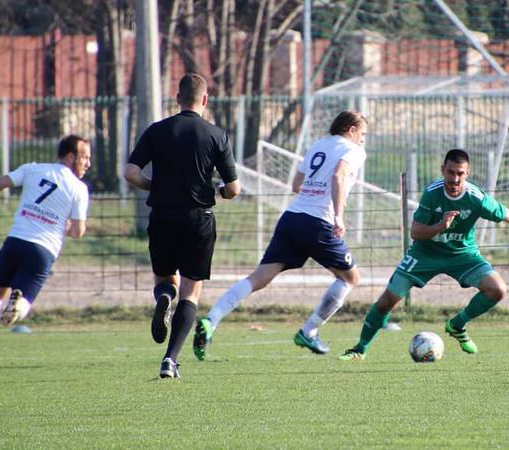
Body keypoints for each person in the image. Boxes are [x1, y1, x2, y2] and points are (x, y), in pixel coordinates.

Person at [339, 148, 509, 361]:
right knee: (386, 302)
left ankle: (457, 325)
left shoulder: (476, 198)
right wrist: (441, 226)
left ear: (467, 173)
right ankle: (360, 349)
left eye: (460, 173)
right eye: (450, 172)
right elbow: (416, 232)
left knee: (497, 289)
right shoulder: (432, 194)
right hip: (425, 253)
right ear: (443, 171)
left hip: (463, 254)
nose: (455, 179)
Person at [192, 110, 368, 360]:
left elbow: (297, 185)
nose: (363, 139)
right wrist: (339, 215)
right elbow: (339, 175)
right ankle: (309, 330)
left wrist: (317, 190)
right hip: (318, 223)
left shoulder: (318, 145)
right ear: (350, 130)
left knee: (259, 278)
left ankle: (211, 319)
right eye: (362, 134)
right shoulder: (354, 150)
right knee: (350, 278)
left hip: (291, 218)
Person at [125, 73, 240, 379]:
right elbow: (234, 188)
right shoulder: (216, 135)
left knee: (166, 278)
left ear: (177, 99)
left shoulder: (157, 131)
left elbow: (130, 173)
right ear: (205, 100)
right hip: (198, 218)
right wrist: (220, 191)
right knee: (191, 290)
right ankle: (170, 359)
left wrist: (155, 186)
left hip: (162, 215)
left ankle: (164, 296)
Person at [0, 135, 91, 331]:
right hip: (43, 250)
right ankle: (18, 303)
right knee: (25, 299)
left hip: (15, 241)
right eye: (85, 157)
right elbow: (78, 231)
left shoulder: (32, 169)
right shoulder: (79, 189)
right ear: (70, 157)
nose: (88, 164)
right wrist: (60, 223)